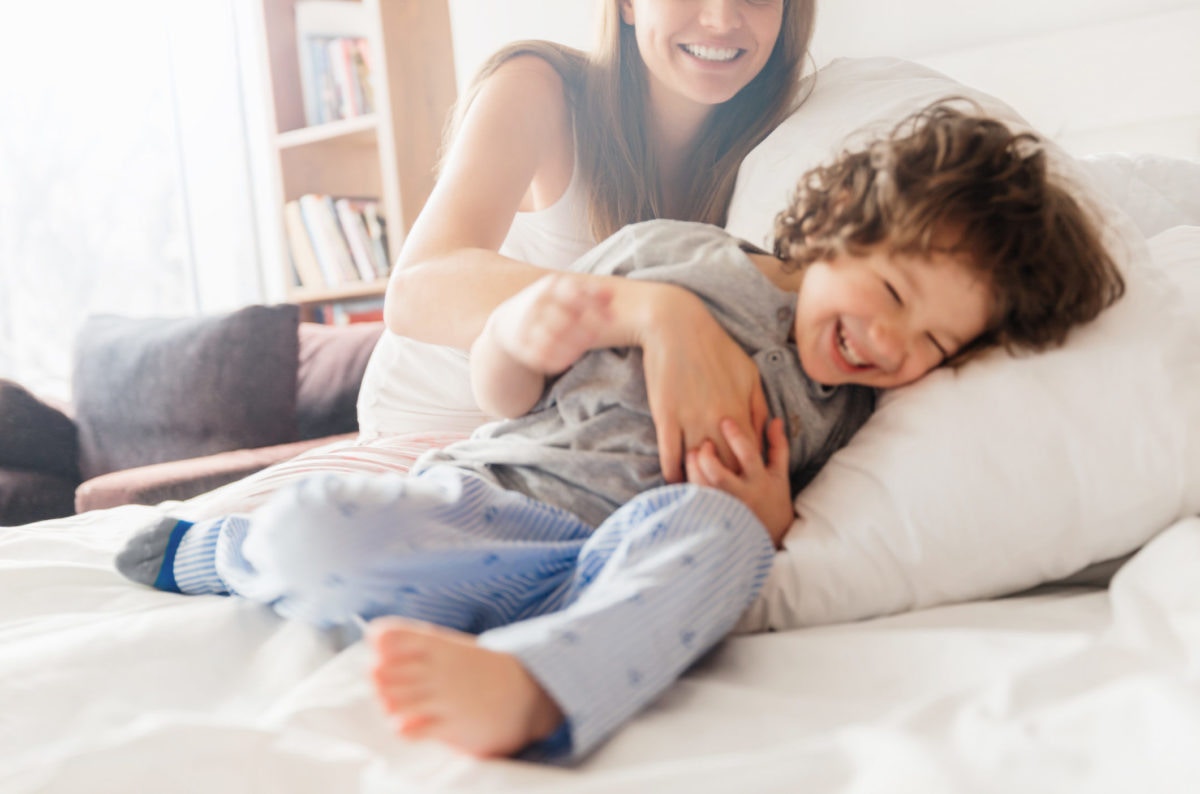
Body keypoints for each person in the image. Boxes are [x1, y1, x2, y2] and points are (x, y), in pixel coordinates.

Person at [115, 102, 1125, 762]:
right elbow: (506, 391)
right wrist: (524, 327)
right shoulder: (672, 254)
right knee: (318, 527)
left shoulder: (861, 414)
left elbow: (793, 533)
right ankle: (222, 549)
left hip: (608, 563)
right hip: (488, 503)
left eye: (935, 340)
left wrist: (769, 516)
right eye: (894, 290)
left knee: (717, 539)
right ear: (840, 226)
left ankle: (539, 683)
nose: (888, 340)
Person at [356, 0, 817, 484]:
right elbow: (416, 289)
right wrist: (650, 309)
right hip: (429, 432)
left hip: (579, 453)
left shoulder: (774, 149)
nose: (722, 19)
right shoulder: (540, 88)